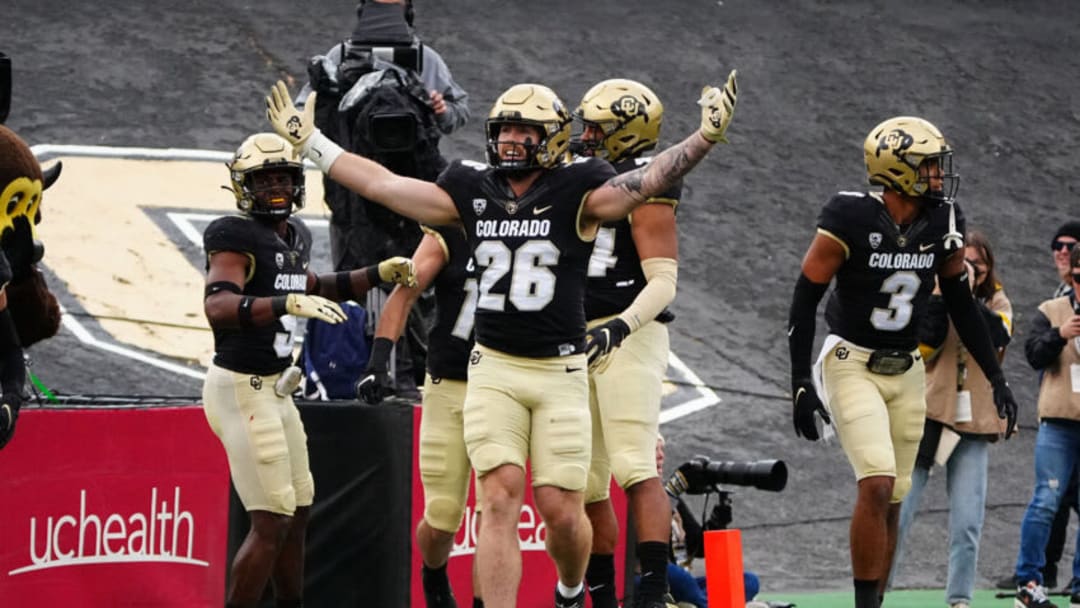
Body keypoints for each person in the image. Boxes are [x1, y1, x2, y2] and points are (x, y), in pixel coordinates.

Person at [265, 68, 738, 608]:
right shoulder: (471, 188)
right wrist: (314, 144)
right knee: (498, 497)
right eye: (504, 130)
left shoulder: (577, 190)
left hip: (560, 371)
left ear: (552, 138)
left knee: (562, 507)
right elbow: (384, 185)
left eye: (525, 132)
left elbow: (644, 183)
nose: (510, 141)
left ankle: (570, 587)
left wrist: (703, 138)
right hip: (492, 368)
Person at [786, 116, 1019, 608]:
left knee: (894, 495)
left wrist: (997, 377)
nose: (939, 176)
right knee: (876, 481)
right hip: (851, 359)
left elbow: (959, 301)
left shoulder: (944, 219)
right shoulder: (848, 217)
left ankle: (878, 599)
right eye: (930, 166)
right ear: (898, 169)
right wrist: (800, 381)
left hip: (908, 366)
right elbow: (805, 297)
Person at [200, 132, 417, 608]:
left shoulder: (291, 236)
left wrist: (379, 272)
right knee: (272, 518)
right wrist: (284, 302)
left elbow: (316, 284)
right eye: (265, 179)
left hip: (276, 392)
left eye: (283, 177)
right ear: (243, 185)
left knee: (298, 509)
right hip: (242, 387)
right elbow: (218, 305)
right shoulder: (231, 235)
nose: (276, 187)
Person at [299, 0, 471, 397]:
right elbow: (302, 112)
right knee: (353, 280)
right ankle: (364, 369)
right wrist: (331, 96)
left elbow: (458, 111)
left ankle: (419, 374)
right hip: (352, 193)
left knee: (420, 285)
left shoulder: (426, 60)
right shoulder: (338, 58)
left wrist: (440, 110)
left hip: (414, 190)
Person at [570, 78, 681, 608]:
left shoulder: (649, 183)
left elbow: (663, 281)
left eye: (598, 128)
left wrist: (620, 327)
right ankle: (604, 600)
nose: (585, 136)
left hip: (629, 331)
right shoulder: (575, 172)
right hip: (574, 334)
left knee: (634, 465)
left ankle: (653, 593)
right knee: (588, 482)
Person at [355, 222, 481, 608]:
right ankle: (435, 571)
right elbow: (406, 289)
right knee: (442, 517)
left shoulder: (544, 212)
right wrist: (378, 361)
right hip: (451, 377)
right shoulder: (458, 214)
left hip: (507, 379)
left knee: (498, 505)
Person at [887, 230, 1013, 608]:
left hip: (974, 423)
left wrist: (970, 297)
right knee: (901, 508)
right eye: (965, 261)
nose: (971, 268)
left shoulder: (999, 301)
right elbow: (924, 347)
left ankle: (959, 598)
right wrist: (946, 296)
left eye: (978, 262)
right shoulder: (932, 293)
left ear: (988, 268)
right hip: (929, 413)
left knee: (967, 520)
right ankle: (877, 587)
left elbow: (999, 337)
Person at [995, 221, 1080, 594]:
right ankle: (1029, 578)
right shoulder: (1052, 309)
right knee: (1046, 499)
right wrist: (1060, 335)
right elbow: (1032, 355)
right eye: (1077, 276)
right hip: (1059, 422)